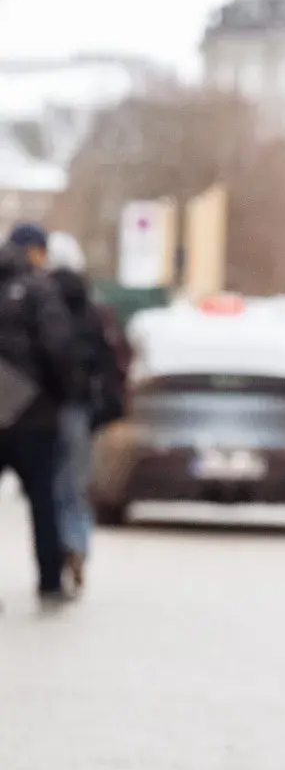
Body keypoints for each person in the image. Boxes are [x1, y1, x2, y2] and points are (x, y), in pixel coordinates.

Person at [45, 232, 127, 594]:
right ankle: (76, 544)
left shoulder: (39, 299)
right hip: (80, 408)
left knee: (46, 487)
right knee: (75, 486)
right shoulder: (94, 308)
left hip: (43, 408)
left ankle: (52, 554)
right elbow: (110, 361)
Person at [0, 221, 77, 603]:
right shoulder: (39, 289)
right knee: (43, 502)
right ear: (34, 251)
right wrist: (64, 395)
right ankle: (49, 582)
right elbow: (58, 348)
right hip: (33, 415)